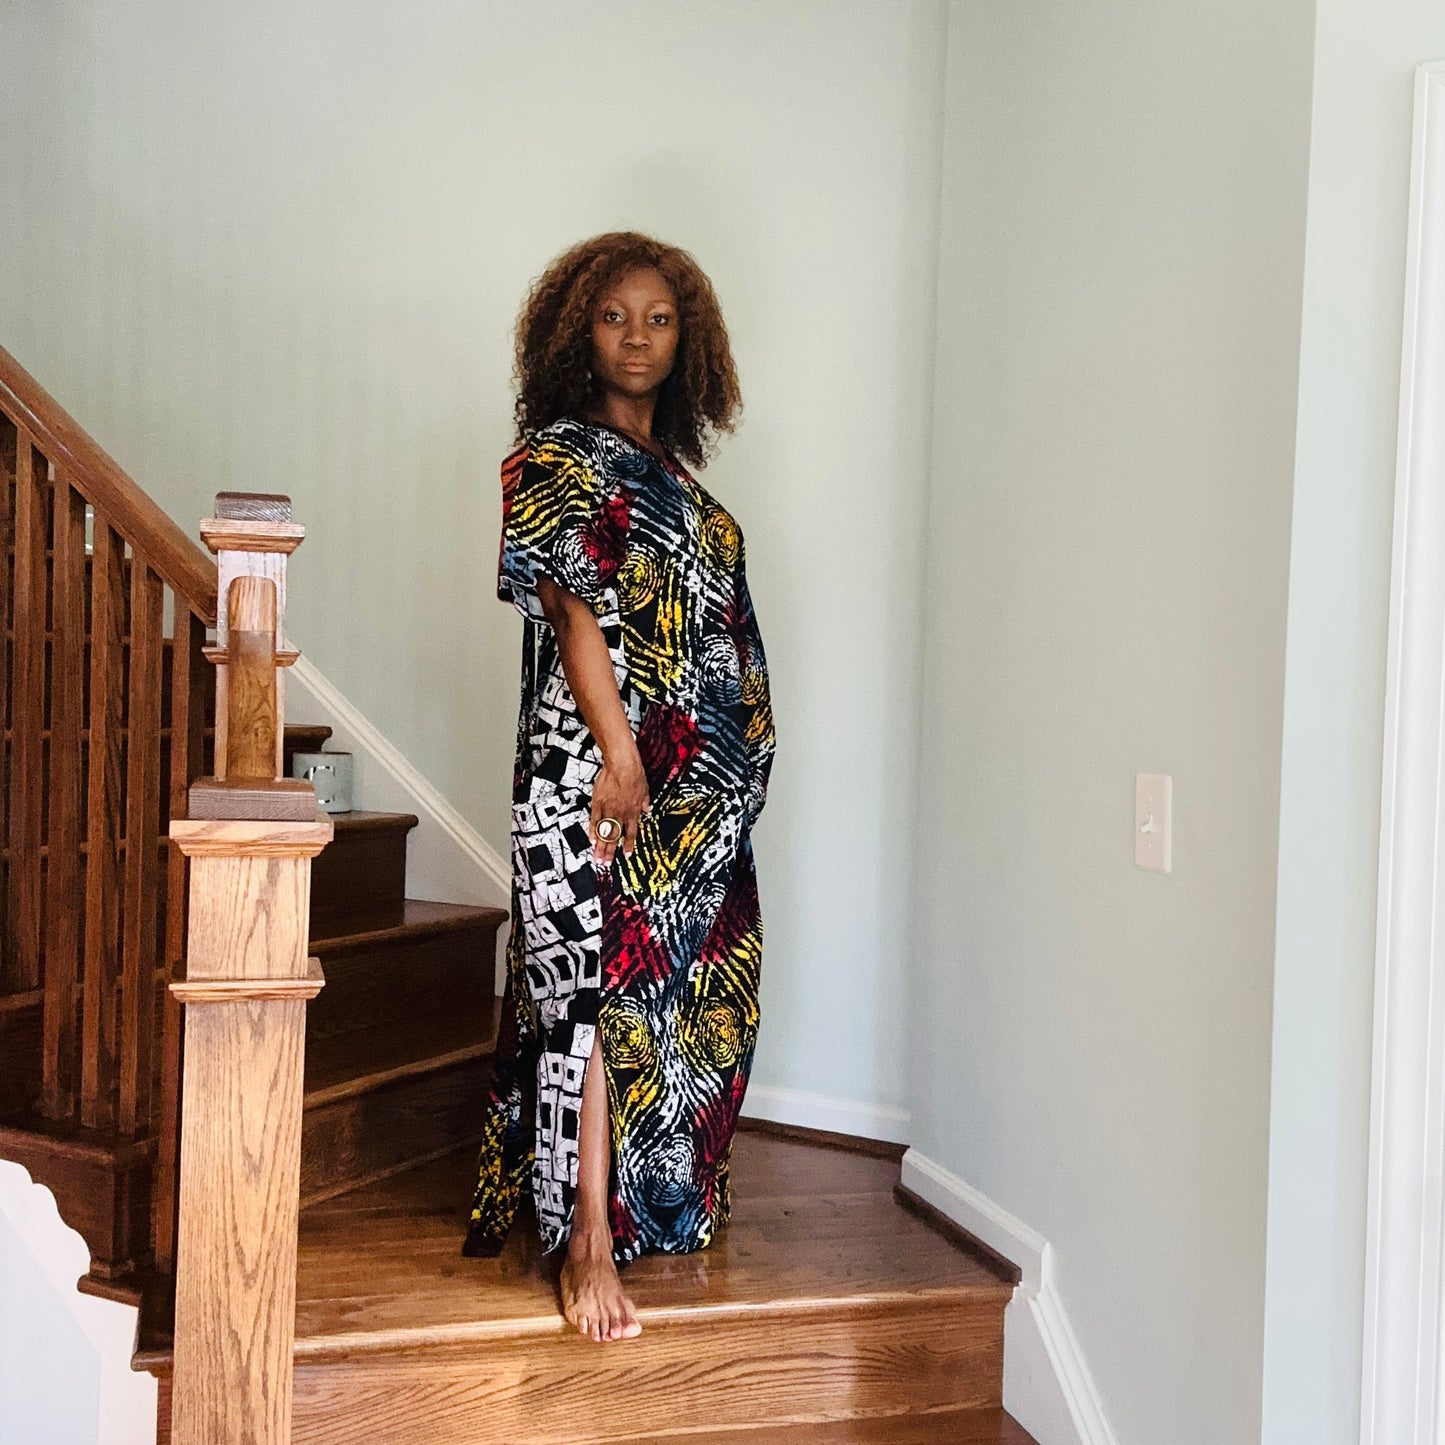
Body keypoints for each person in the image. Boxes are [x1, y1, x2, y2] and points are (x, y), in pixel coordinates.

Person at [463, 231, 776, 1346]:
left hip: (696, 798)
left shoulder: (680, 480)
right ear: (575, 332)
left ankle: (646, 1204)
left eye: (657, 318)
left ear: (688, 339)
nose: (635, 336)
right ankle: (586, 1237)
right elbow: (573, 609)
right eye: (612, 316)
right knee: (598, 989)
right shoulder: (557, 456)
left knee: (677, 992)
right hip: (599, 770)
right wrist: (621, 751)